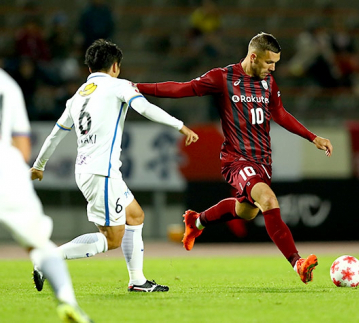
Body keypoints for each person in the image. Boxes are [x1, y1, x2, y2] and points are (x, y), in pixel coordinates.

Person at [136, 32, 333, 284]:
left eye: (276, 63)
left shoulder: (268, 82)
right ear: (253, 57)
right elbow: (183, 88)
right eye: (269, 63)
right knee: (268, 200)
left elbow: (280, 113)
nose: (273, 69)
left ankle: (197, 221)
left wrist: (312, 137)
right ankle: (298, 263)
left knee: (247, 212)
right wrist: (137, 88)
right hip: (236, 159)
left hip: (263, 161)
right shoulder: (222, 78)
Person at [30, 39, 199, 292]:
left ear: (89, 69)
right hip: (101, 173)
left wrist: (39, 165)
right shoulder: (119, 86)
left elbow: (56, 134)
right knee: (112, 239)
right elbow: (144, 107)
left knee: (135, 216)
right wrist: (179, 125)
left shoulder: (77, 97)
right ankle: (48, 259)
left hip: (93, 171)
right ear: (116, 66)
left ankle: (138, 281)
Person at [0, 68, 92, 322]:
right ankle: (67, 301)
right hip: (5, 170)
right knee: (39, 245)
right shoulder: (7, 85)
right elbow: (22, 146)